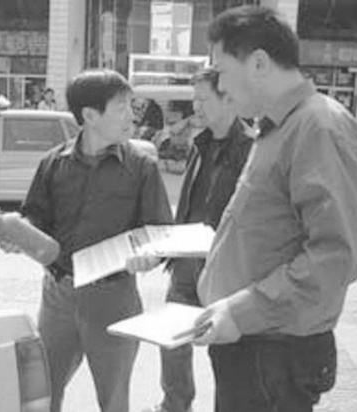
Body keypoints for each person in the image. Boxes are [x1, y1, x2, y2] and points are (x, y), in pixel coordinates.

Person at [187, 6, 357, 412]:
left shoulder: (319, 127)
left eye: (221, 71)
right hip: (253, 347)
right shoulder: (276, 127)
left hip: (274, 354)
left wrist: (243, 310)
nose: (221, 86)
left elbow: (337, 256)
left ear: (258, 63)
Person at [0, 69, 173, 412]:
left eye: (131, 106)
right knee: (43, 394)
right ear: (90, 115)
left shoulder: (142, 167)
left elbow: (159, 231)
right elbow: (36, 219)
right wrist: (18, 236)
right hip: (58, 296)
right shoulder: (53, 163)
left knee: (113, 399)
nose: (131, 116)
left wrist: (149, 256)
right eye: (121, 108)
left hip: (113, 297)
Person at [131, 68, 253, 412]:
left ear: (228, 99)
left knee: (227, 354)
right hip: (186, 261)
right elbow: (190, 201)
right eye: (194, 99)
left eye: (203, 99)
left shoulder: (251, 148)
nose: (195, 106)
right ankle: (175, 405)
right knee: (172, 341)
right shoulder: (200, 144)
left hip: (224, 269)